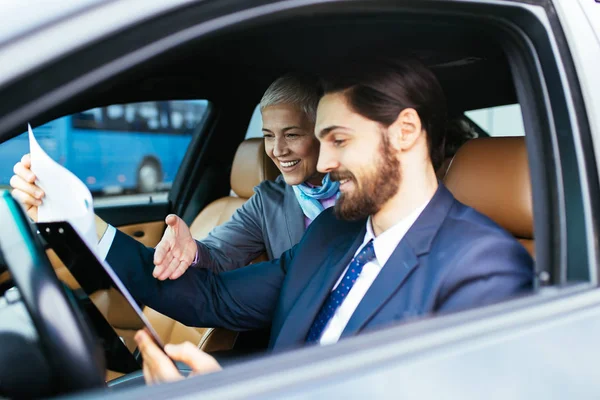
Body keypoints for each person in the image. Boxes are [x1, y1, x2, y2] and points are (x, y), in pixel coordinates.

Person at [115, 58, 532, 383]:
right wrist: (82, 226)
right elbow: (215, 298)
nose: (326, 162)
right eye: (321, 140)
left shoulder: (484, 267)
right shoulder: (332, 232)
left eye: (339, 140)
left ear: (404, 132)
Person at [10, 74, 339, 279]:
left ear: (321, 133)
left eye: (292, 134)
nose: (277, 149)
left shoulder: (359, 194)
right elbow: (218, 254)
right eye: (268, 135)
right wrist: (191, 250)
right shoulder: (268, 201)